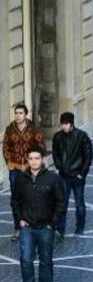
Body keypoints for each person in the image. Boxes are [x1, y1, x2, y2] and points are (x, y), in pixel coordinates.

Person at [12, 145, 65, 282]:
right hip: (27, 227)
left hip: (46, 227)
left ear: (43, 159)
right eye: (31, 158)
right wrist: (20, 219)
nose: (34, 161)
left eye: (37, 158)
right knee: (26, 261)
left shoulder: (53, 178)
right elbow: (15, 201)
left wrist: (52, 223)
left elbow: (61, 202)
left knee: (46, 261)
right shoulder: (21, 179)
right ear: (27, 160)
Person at [3, 102, 45, 242]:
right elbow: (5, 147)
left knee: (32, 197)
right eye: (16, 113)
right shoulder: (10, 129)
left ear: (26, 114)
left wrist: (35, 163)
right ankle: (18, 228)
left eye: (20, 113)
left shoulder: (34, 129)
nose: (18, 116)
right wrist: (9, 163)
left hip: (29, 169)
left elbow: (41, 146)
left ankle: (32, 225)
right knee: (15, 199)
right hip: (15, 169)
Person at [52, 112, 93, 239]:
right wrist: (60, 167)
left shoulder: (81, 136)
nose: (64, 126)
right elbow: (55, 153)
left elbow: (88, 156)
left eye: (66, 124)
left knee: (79, 203)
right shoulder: (57, 137)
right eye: (62, 124)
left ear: (71, 124)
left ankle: (80, 228)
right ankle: (60, 230)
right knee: (62, 204)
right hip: (64, 175)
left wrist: (82, 173)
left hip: (77, 176)